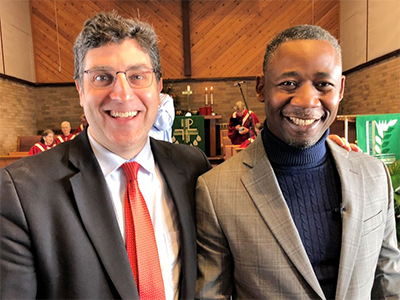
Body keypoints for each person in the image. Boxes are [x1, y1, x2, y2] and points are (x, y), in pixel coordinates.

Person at [0, 12, 211, 299]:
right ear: (79, 89)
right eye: (102, 77)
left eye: (138, 76)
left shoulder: (193, 168)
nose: (123, 94)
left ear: (158, 87)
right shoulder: (23, 192)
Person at [195, 25, 400, 299]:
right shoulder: (217, 190)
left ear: (340, 89)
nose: (307, 101)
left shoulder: (374, 175)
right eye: (289, 84)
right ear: (261, 88)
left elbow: (389, 280)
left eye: (323, 85)